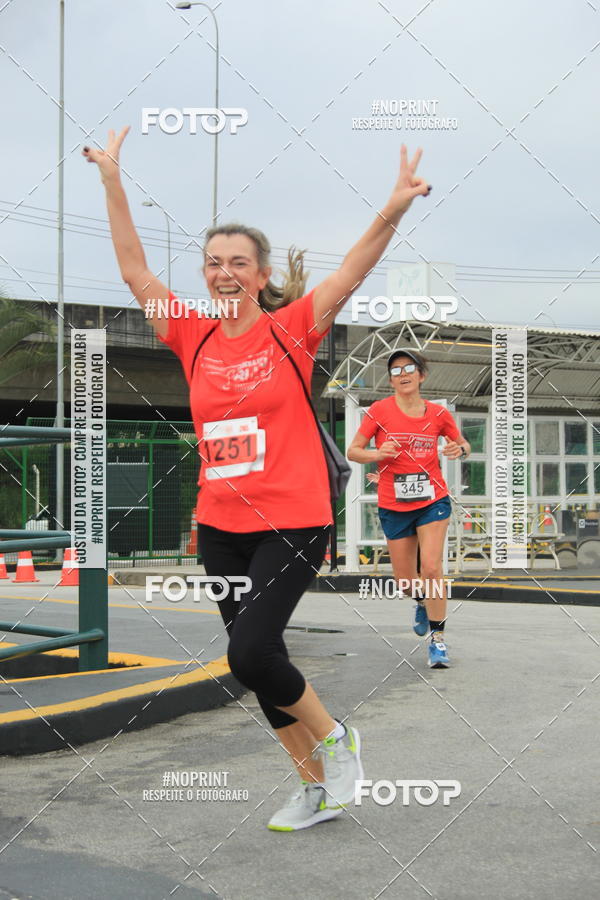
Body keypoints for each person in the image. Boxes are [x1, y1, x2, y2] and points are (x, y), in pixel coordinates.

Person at [84, 129, 431, 829]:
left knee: (251, 648)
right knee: (251, 664)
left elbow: (354, 271)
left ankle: (337, 739)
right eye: (213, 263)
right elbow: (132, 268)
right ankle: (314, 789)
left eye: (238, 262)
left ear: (262, 274)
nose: (224, 273)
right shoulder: (192, 334)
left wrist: (394, 206)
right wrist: (113, 179)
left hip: (295, 516)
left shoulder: (292, 329)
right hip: (221, 526)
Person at [347, 349, 470, 668]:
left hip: (433, 499)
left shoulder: (438, 414)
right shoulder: (379, 410)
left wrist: (460, 449)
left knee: (431, 569)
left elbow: (464, 443)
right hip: (394, 504)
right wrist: (377, 455)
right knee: (405, 580)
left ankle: (438, 641)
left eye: (409, 368)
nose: (403, 373)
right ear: (391, 380)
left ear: (421, 375)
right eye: (396, 370)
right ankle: (420, 600)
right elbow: (353, 451)